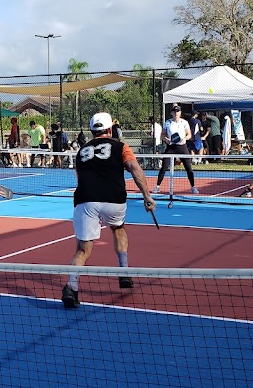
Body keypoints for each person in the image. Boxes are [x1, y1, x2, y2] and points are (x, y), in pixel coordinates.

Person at [61, 112, 156, 308]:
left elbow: (80, 179)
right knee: (118, 229)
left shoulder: (81, 152)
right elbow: (134, 168)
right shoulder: (121, 146)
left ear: (91, 131)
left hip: (85, 199)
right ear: (110, 129)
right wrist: (147, 196)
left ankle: (71, 286)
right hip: (114, 199)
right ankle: (124, 272)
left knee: (82, 249)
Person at [153, 105, 198, 194]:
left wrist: (185, 139)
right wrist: (166, 139)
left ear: (180, 113)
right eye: (174, 111)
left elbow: (189, 134)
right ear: (171, 113)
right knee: (164, 167)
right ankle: (157, 186)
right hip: (171, 147)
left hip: (182, 147)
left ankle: (193, 187)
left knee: (188, 168)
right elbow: (162, 134)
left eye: (178, 111)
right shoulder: (167, 123)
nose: (176, 113)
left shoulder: (184, 122)